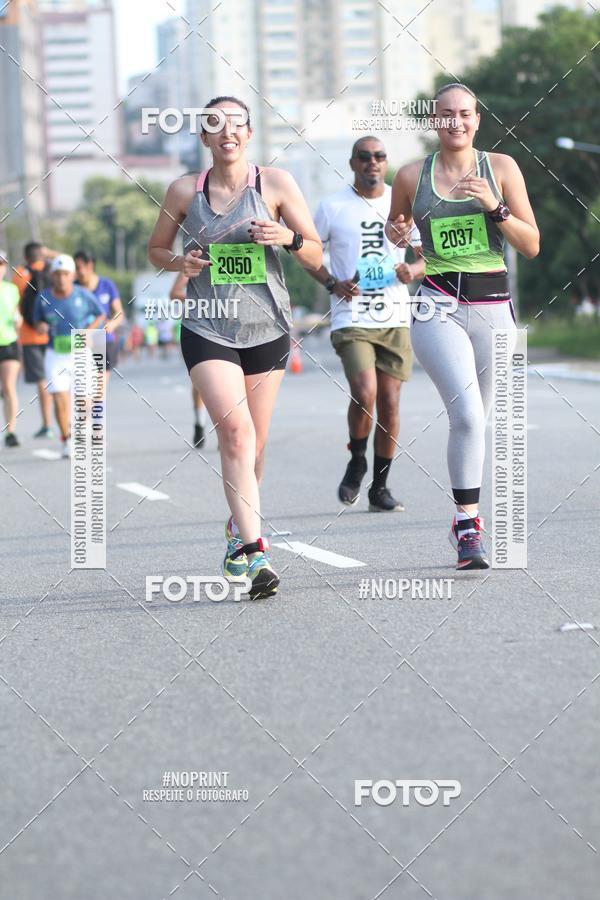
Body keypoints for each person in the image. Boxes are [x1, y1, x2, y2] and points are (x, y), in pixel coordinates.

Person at [148, 95, 322, 599]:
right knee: (237, 434)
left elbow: (313, 254)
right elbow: (156, 249)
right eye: (215, 125)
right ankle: (256, 553)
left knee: (256, 449)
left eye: (237, 124)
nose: (227, 132)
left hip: (267, 329)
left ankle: (235, 529)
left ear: (249, 134)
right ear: (203, 137)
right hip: (208, 328)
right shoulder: (184, 191)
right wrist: (180, 264)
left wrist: (286, 237)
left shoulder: (278, 184)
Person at [386, 82, 539, 569]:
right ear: (435, 121)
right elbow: (397, 229)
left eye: (465, 113)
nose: (455, 121)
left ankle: (462, 524)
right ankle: (469, 525)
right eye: (446, 114)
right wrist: (398, 234)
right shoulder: (412, 174)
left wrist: (495, 208)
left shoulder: (502, 168)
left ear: (477, 120)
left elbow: (531, 243)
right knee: (468, 415)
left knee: (481, 421)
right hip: (437, 305)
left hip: (494, 307)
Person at [310, 136, 424, 511]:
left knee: (390, 403)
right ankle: (357, 460)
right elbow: (307, 250)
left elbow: (430, 255)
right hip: (351, 316)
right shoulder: (332, 206)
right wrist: (331, 282)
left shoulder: (402, 202)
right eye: (365, 157)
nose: (372, 162)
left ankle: (379, 487)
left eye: (379, 156)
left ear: (385, 162)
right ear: (353, 163)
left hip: (394, 317)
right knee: (365, 391)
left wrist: (413, 268)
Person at [33, 255, 105, 458]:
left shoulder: (82, 295)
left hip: (80, 353)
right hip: (55, 354)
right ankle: (67, 439)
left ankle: (80, 432)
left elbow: (100, 314)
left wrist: (89, 332)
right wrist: (41, 327)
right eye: (57, 274)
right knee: (59, 398)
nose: (61, 278)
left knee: (84, 400)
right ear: (52, 276)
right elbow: (37, 322)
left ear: (72, 275)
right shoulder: (44, 298)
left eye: (65, 274)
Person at [13, 241, 55, 438]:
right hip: (55, 332)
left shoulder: (20, 273)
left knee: (42, 380)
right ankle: (68, 419)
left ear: (25, 256)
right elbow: (71, 261)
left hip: (30, 334)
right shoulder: (55, 270)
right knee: (63, 376)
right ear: (42, 254)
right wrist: (50, 253)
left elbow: (15, 304)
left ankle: (47, 424)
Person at [74, 250, 123, 386]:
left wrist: (112, 324)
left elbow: (119, 312)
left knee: (98, 390)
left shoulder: (107, 286)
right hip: (81, 341)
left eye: (78, 268)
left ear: (89, 265)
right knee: (82, 391)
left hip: (104, 341)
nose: (76, 272)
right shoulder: (73, 288)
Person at [170, 271, 207, 447]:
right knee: (201, 382)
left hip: (237, 328)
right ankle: (199, 422)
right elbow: (175, 293)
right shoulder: (197, 256)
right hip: (203, 328)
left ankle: (225, 428)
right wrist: (202, 300)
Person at [0, 250, 22, 447]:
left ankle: (11, 431)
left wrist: (18, 320)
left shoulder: (11, 289)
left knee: (8, 386)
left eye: (1, 264)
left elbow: (16, 313)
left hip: (9, 343)